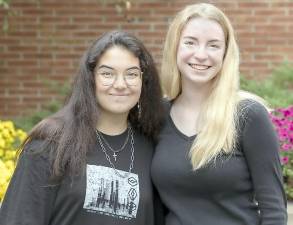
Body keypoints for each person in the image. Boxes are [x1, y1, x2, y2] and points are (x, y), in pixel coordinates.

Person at [0, 30, 165, 225]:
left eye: (131, 74)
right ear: (90, 78)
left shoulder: (151, 148)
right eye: (107, 73)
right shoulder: (50, 144)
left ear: (143, 81)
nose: (120, 84)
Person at [151, 3, 287, 225]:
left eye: (213, 45)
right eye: (190, 42)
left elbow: (274, 210)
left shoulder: (248, 115)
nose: (201, 54)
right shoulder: (157, 116)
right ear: (174, 47)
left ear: (225, 54)